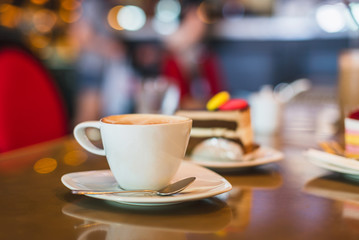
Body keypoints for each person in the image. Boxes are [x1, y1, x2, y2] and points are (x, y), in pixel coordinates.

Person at [69, 0, 137, 124]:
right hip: (92, 69)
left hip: (106, 71)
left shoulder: (107, 6)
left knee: (100, 119)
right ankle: (78, 143)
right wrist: (109, 48)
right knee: (88, 118)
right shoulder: (91, 4)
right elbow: (81, 37)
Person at [161, 0, 226, 109]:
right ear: (182, 24)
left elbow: (219, 95)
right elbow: (178, 102)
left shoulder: (207, 58)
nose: (198, 24)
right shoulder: (172, 60)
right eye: (193, 19)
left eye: (200, 19)